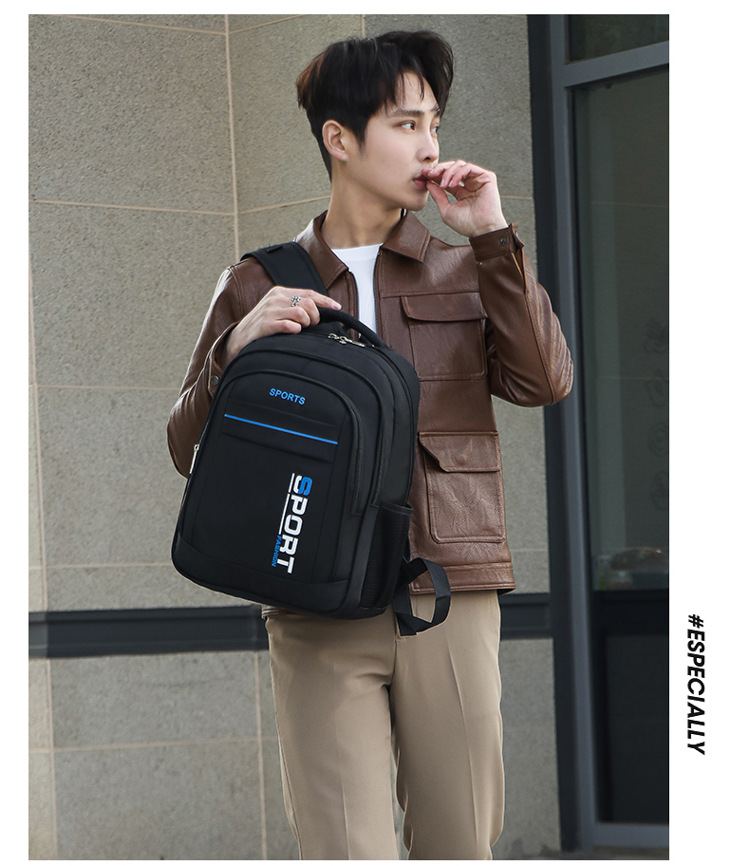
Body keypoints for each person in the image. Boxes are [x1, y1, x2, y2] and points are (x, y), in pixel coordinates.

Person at [167, 30, 573, 860]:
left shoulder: (467, 267)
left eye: (434, 124)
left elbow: (545, 380)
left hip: (448, 592)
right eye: (405, 124)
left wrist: (493, 237)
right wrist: (233, 349)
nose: (429, 147)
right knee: (344, 848)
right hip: (314, 598)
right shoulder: (258, 281)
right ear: (340, 138)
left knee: (460, 843)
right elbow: (186, 446)